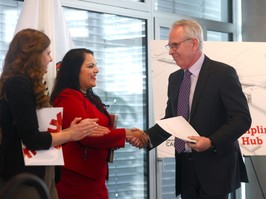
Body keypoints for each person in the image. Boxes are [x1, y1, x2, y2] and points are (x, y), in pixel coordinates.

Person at [138, 19, 251, 199]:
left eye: (175, 45)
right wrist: (146, 138)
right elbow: (171, 120)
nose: (171, 52)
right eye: (170, 46)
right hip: (186, 170)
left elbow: (241, 119)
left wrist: (211, 141)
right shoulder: (175, 79)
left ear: (194, 43)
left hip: (216, 169)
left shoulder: (222, 74)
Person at [0, 29, 110, 199]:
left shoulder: (28, 83)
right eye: (47, 53)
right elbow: (32, 139)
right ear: (34, 55)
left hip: (42, 171)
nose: (51, 59)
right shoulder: (18, 84)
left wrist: (69, 132)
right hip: (25, 176)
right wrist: (71, 134)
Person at [50, 48, 146, 199]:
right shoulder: (68, 97)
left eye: (95, 65)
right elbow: (87, 133)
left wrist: (124, 136)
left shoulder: (89, 97)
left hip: (94, 177)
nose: (97, 70)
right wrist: (127, 133)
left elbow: (103, 131)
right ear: (74, 70)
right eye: (90, 66)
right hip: (77, 181)